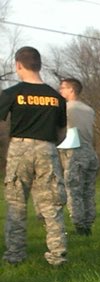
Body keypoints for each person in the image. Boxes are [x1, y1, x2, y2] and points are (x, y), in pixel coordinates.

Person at [1, 47, 68, 266]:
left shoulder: (12, 93)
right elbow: (61, 133)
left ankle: (15, 255)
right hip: (47, 149)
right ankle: (57, 255)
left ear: (18, 65)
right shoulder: (56, 97)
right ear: (39, 65)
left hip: (19, 149)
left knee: (17, 203)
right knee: (52, 205)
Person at [57, 77, 99, 236]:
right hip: (90, 153)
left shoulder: (65, 108)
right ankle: (88, 225)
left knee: (74, 192)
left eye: (63, 88)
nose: (60, 91)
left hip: (74, 152)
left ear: (71, 90)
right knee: (88, 192)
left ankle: (80, 227)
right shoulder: (89, 110)